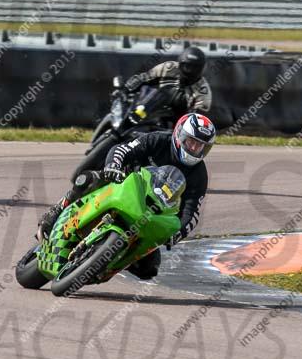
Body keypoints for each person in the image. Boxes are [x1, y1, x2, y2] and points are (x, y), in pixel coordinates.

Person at [37, 112, 216, 279]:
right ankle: (56, 210)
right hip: (123, 184)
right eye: (191, 142)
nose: (194, 149)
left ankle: (104, 265)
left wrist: (177, 233)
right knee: (88, 179)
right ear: (179, 136)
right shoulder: (158, 139)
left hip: (151, 213)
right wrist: (114, 167)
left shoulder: (199, 175)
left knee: (149, 269)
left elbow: (191, 213)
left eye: (201, 147)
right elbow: (122, 149)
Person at [124, 47, 212, 121]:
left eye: (195, 68)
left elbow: (199, 118)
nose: (191, 71)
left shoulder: (203, 89)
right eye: (188, 66)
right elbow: (144, 78)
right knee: (160, 92)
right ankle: (137, 115)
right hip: (150, 110)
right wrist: (125, 89)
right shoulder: (168, 68)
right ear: (180, 63)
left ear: (202, 68)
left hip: (177, 123)